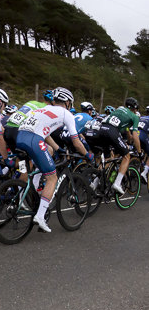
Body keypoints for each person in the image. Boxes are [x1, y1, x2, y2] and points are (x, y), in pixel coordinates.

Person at [15, 87, 93, 232]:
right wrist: (87, 155)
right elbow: (76, 142)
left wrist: (57, 148)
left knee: (40, 168)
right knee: (52, 178)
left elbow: (45, 132)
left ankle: (27, 197)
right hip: (34, 141)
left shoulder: (41, 110)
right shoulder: (66, 113)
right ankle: (40, 215)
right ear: (68, 102)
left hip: (20, 138)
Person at [84, 97, 141, 193]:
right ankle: (117, 183)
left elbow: (125, 133)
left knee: (109, 158)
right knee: (126, 156)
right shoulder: (135, 116)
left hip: (101, 130)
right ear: (135, 109)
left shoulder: (119, 109)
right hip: (111, 131)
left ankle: (95, 182)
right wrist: (139, 151)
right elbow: (135, 136)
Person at [138, 106, 149, 182]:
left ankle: (139, 166)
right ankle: (144, 173)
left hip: (135, 134)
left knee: (139, 151)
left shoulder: (142, 117)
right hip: (143, 135)